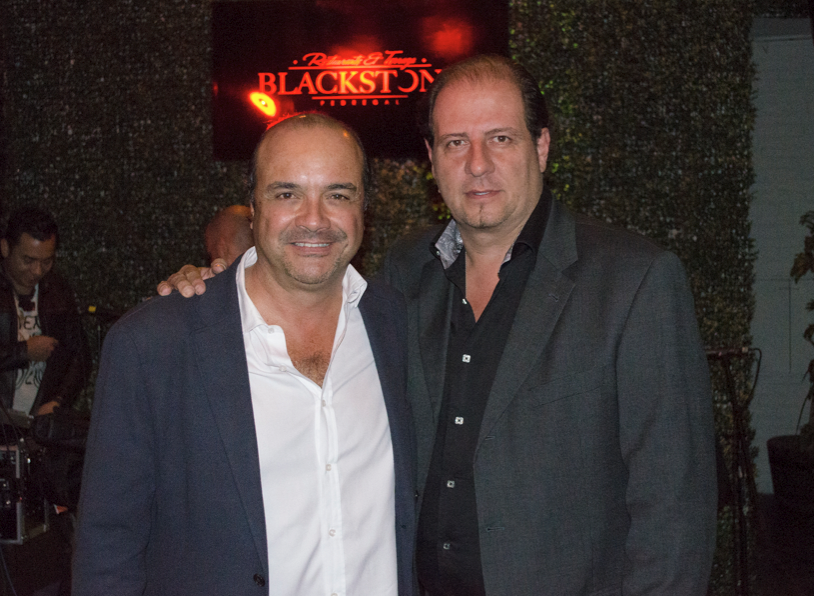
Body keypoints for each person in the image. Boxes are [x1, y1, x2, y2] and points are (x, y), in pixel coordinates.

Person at [159, 55, 718, 595]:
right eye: (455, 143)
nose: (477, 164)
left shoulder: (634, 282)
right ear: (431, 157)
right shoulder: (404, 275)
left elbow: (676, 506)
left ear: (542, 146)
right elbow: (297, 298)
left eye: (500, 138)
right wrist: (215, 288)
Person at [73, 113, 416, 596]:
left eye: (338, 194)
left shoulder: (397, 324)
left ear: (365, 208)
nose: (314, 219)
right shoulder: (154, 345)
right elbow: (107, 549)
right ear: (253, 208)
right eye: (287, 194)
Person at [0, 207, 89, 422]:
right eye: (28, 260)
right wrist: (23, 352)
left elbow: (80, 356)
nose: (37, 271)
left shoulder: (58, 291)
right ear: (5, 248)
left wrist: (58, 401)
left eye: (47, 261)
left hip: (38, 429)